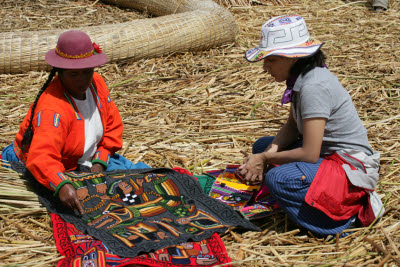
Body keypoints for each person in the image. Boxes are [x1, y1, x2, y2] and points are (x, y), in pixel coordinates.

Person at [241, 15, 384, 236]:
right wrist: (266, 154)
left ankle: (345, 219)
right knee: (262, 146)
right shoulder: (301, 78)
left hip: (348, 168)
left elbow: (309, 153)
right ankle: (301, 198)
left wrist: (266, 160)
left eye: (271, 59)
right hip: (326, 156)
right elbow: (291, 126)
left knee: (279, 179)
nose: (265, 67)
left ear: (293, 58)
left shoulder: (314, 86)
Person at [1, 30, 149, 215]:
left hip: (84, 161)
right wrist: (61, 185)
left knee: (142, 177)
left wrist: (98, 165)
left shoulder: (97, 84)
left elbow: (112, 128)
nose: (82, 80)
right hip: (46, 164)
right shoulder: (52, 109)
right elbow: (42, 157)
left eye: (87, 71)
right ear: (60, 73)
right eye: (73, 75)